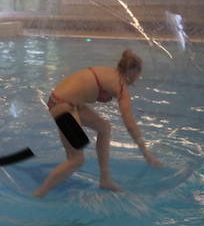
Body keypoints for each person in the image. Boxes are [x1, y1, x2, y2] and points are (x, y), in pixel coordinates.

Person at [33, 49, 162, 198]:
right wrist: (146, 153)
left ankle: (105, 179)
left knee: (104, 128)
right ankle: (39, 194)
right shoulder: (120, 87)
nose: (138, 78)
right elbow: (130, 124)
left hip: (68, 104)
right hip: (63, 108)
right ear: (133, 72)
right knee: (76, 160)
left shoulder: (108, 72)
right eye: (139, 74)